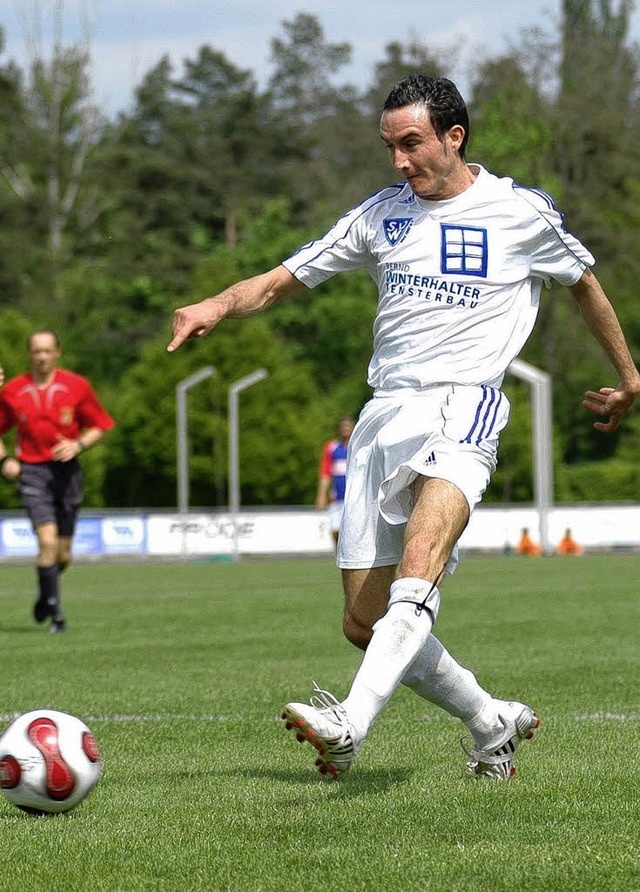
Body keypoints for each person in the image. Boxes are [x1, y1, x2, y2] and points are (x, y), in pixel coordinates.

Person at [167, 74, 640, 781]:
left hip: (465, 404)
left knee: (418, 565)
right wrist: (215, 302)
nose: (399, 161)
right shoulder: (380, 216)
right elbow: (276, 281)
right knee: (364, 622)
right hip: (384, 414)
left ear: (454, 136)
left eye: (411, 143)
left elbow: (583, 283)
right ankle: (491, 721)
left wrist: (630, 377)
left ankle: (350, 723)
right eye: (389, 146)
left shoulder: (518, 213)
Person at [0, 330, 115, 632]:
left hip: (68, 473)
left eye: (47, 350)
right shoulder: (12, 391)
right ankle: (56, 615)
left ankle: (44, 596)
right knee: (47, 542)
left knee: (62, 554)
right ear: (29, 354)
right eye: (36, 351)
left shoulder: (77, 386)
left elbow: (100, 425)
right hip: (32, 472)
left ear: (57, 352)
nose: (42, 356)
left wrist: (78, 445)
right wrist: (4, 461)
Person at [315, 415, 355, 549]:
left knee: (353, 531)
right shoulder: (331, 447)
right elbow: (325, 472)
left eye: (348, 426)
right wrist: (321, 495)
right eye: (343, 426)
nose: (345, 429)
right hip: (336, 497)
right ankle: (339, 556)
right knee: (335, 530)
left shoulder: (357, 446)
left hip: (354, 497)